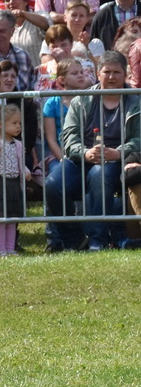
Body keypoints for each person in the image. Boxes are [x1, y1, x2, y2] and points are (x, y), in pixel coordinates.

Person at [54, 51, 141, 251]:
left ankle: (98, 240)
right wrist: (84, 152)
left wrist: (118, 152)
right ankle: (72, 240)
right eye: (107, 72)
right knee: (53, 183)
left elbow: (139, 139)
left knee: (99, 174)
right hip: (81, 158)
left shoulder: (137, 101)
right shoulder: (80, 100)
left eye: (116, 72)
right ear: (97, 73)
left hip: (118, 161)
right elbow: (68, 138)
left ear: (125, 73)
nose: (111, 77)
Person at [0, 103, 28, 257]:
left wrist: (26, 172)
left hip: (14, 184)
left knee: (12, 219)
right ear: (1, 125)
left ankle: (10, 248)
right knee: (0, 219)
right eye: (14, 123)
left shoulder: (19, 145)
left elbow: (21, 162)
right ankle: (0, 249)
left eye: (20, 123)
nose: (18, 127)